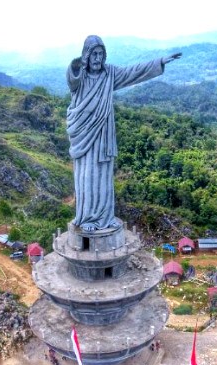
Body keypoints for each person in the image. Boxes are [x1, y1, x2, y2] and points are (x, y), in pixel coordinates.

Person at [67, 37, 181, 231]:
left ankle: (103, 217)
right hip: (84, 134)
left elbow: (133, 72)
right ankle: (87, 218)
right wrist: (78, 64)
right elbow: (72, 77)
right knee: (87, 176)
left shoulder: (109, 73)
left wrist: (159, 62)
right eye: (93, 54)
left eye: (100, 54)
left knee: (103, 177)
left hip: (103, 133)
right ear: (87, 55)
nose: (97, 58)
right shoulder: (81, 77)